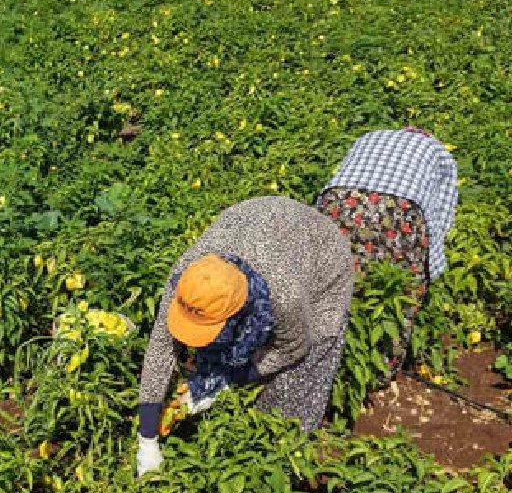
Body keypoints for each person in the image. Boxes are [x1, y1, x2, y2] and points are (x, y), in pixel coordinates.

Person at [135, 196, 354, 477]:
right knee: (215, 354)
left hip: (321, 259)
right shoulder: (188, 278)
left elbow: (293, 349)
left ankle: (281, 466)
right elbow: (161, 349)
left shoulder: (283, 295)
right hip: (256, 223)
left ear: (238, 311)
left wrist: (232, 379)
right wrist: (147, 438)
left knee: (293, 388)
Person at [315, 127, 458, 384]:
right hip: (399, 211)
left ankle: (316, 360)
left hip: (340, 200)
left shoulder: (369, 136)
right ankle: (378, 372)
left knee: (329, 278)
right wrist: (433, 263)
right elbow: (441, 214)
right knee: (402, 291)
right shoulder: (440, 154)